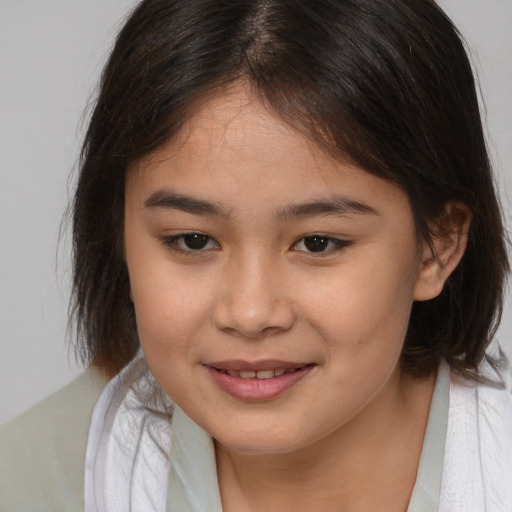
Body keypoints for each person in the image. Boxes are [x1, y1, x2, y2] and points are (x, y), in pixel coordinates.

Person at [1, 0, 510, 511]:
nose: (249, 313)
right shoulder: (32, 483)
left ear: (436, 247)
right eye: (192, 240)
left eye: (317, 242)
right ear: (118, 230)